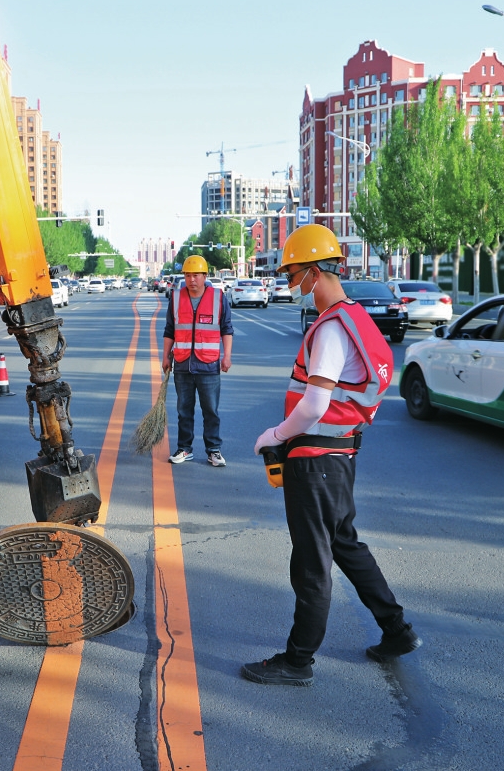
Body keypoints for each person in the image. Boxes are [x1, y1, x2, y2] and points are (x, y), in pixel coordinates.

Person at [243, 224, 420, 686]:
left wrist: (274, 435)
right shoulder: (353, 316)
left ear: (314, 272)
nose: (289, 285)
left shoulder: (332, 329)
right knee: (345, 545)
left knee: (312, 562)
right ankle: (397, 630)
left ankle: (298, 661)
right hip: (338, 458)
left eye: (292, 274)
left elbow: (316, 403)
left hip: (317, 460)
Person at [162, 255, 233, 467]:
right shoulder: (175, 298)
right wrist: (165, 356)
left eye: (196, 275)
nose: (191, 279)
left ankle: (213, 450)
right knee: (184, 411)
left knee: (211, 411)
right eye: (187, 275)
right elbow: (169, 330)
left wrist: (227, 355)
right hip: (183, 364)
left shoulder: (218, 297)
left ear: (204, 276)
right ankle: (185, 449)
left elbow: (226, 329)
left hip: (209, 365)